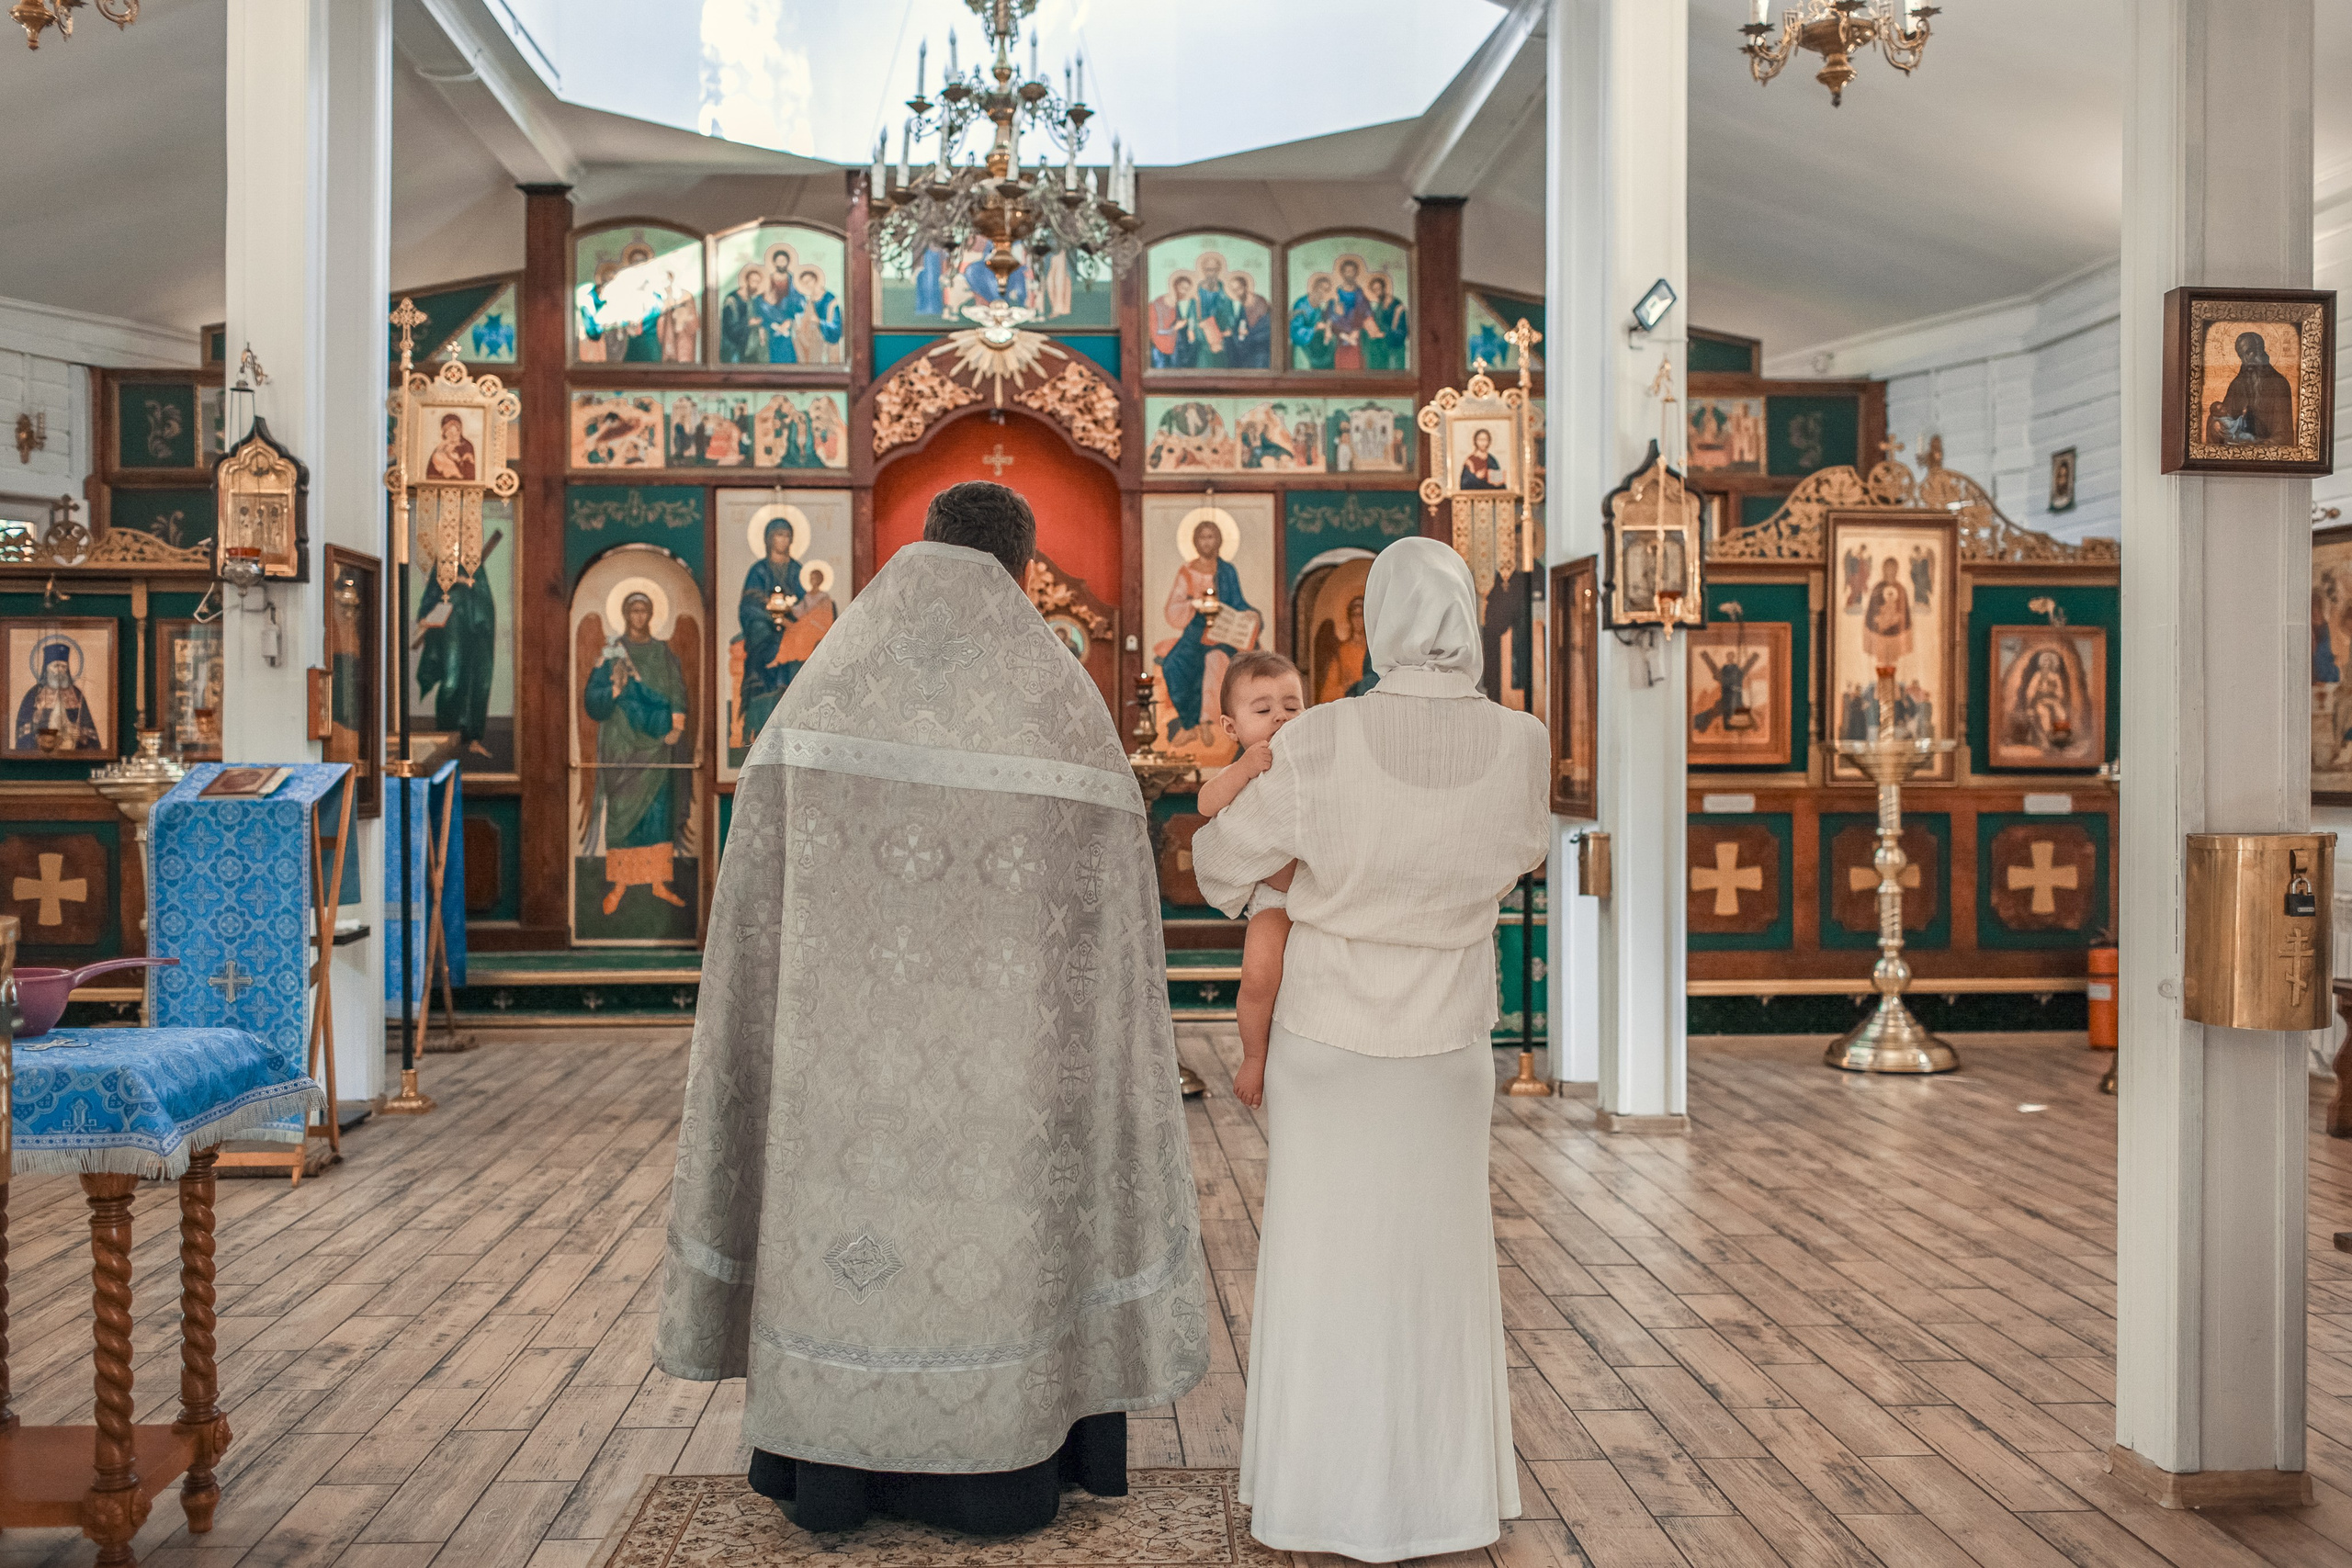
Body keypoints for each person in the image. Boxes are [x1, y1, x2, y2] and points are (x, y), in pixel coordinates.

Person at [656, 480, 1208, 1536]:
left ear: (925, 540)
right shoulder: (1059, 703)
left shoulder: (825, 689)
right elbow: (1116, 913)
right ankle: (1003, 1471)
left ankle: (830, 1478)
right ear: (1020, 563)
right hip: (1008, 1078)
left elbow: (754, 896)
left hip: (843, 1073)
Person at [1193, 536, 1546, 1560]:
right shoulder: (1521, 742)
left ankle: (1314, 1494)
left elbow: (1222, 864)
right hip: (1445, 1047)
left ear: (1376, 621)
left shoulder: (1320, 740)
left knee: (1321, 1261)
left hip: (1329, 1037)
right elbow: (1518, 851)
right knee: (1439, 1264)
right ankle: (1444, 1497)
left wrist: (1317, 873)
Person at [1194, 651, 1304, 1110]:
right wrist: (1242, 770)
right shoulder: (1242, 773)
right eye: (1263, 710)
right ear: (1231, 727)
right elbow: (1205, 805)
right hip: (1274, 902)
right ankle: (1254, 1056)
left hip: (1324, 898)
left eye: (1292, 706)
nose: (1280, 716)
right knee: (1259, 977)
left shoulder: (1312, 762)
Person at [582, 592, 690, 916]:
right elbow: (591, 699)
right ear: (626, 615)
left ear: (652, 614)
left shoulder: (662, 653)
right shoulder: (612, 653)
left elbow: (677, 690)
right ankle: (619, 884)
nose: (639, 617)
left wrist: (678, 724)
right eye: (633, 611)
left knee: (657, 815)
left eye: (644, 610)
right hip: (621, 745)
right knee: (621, 813)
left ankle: (658, 881)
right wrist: (614, 689)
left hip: (656, 745)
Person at [1157, 516, 1257, 742]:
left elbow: (1238, 603)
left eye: (1211, 537)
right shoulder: (1187, 571)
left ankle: (1209, 723)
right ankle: (1190, 725)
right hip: (1195, 630)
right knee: (1173, 665)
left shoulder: (1227, 570)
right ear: (1195, 541)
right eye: (1202, 537)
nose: (1207, 542)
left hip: (1223, 632)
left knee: (1217, 663)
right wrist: (1194, 604)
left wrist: (1251, 614)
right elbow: (1174, 605)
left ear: (1219, 541)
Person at [414, 530, 502, 761]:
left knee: (479, 682)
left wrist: (470, 585)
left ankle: (473, 738)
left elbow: (485, 599)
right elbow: (430, 597)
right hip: (452, 627)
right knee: (452, 682)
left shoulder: (477, 567)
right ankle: (446, 738)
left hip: (478, 631)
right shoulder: (442, 566)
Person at [2209, 329, 2294, 444]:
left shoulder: (2279, 384)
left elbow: (2284, 434)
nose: (2245, 360)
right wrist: (2215, 425)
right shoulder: (2236, 385)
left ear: (2259, 350)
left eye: (2248, 353)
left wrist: (2263, 444)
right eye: (2241, 356)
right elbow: (2223, 415)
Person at [16, 638, 100, 751]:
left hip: (72, 753)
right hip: (42, 752)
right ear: (46, 669)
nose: (60, 670)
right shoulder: (34, 694)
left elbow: (90, 732)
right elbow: (22, 730)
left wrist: (81, 734)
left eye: (64, 666)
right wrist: (38, 731)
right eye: (56, 666)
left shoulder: (76, 693)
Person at [1860, 556, 1913, 665]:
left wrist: (1898, 618)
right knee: (1881, 663)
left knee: (1894, 664)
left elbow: (1905, 612)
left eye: (1892, 569)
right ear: (1884, 570)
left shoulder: (1901, 589)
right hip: (1879, 635)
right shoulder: (1877, 588)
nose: (1890, 571)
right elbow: (1872, 610)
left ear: (1896, 570)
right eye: (1887, 568)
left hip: (1896, 635)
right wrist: (1879, 619)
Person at [719, 265, 768, 363]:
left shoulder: (750, 300)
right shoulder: (732, 300)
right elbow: (729, 327)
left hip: (748, 349)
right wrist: (748, 323)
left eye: (758, 282)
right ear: (746, 281)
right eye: (754, 281)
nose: (756, 285)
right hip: (733, 349)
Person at [427, 413, 477, 481]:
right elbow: (431, 473)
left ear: (459, 431)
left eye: (455, 432)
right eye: (449, 432)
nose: (453, 435)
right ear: (444, 433)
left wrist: (458, 460)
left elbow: (469, 473)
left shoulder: (466, 446)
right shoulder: (441, 447)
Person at [1458, 427, 1507, 491]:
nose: (1483, 443)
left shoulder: (1491, 460)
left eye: (1485, 440)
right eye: (1480, 440)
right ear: (1475, 441)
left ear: (1489, 442)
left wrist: (1498, 482)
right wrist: (1476, 478)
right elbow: (1464, 484)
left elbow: (1500, 485)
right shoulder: (1470, 461)